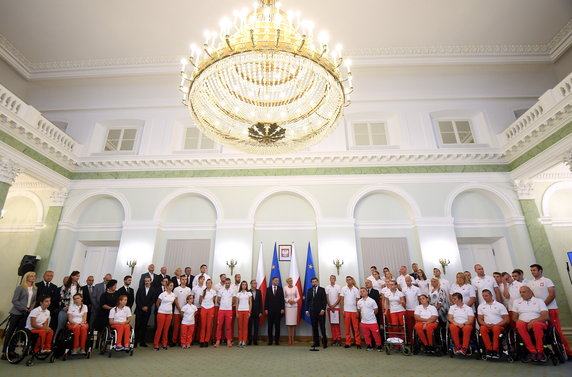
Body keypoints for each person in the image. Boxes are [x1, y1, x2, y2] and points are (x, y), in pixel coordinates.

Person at [528, 263, 572, 356]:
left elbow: (552, 294)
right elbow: (531, 297)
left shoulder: (547, 280)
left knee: (556, 331)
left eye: (534, 270)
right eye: (531, 270)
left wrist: (542, 305)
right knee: (544, 332)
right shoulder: (530, 283)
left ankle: (568, 352)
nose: (532, 272)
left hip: (550, 309)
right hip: (539, 312)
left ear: (540, 270)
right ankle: (551, 351)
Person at [2, 271, 37, 359]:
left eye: (34, 276)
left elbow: (34, 301)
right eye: (31, 276)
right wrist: (23, 308)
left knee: (18, 333)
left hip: (26, 313)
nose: (33, 278)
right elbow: (15, 300)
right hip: (16, 312)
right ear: (27, 277)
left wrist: (31, 308)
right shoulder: (20, 288)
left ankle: (11, 351)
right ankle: (4, 352)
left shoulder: (35, 289)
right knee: (10, 332)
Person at [512, 285, 549, 362]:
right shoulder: (516, 302)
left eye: (524, 292)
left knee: (536, 325)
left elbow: (546, 316)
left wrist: (533, 321)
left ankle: (540, 351)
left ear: (530, 292)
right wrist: (519, 321)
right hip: (523, 323)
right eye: (520, 292)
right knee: (519, 324)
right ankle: (532, 350)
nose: (522, 294)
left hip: (538, 322)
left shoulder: (539, 301)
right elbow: (514, 317)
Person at [477, 289, 509, 358]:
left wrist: (496, 325)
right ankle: (488, 349)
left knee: (495, 328)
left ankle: (495, 349)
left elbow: (506, 319)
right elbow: (479, 319)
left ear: (491, 295)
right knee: (482, 328)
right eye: (483, 296)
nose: (485, 297)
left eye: (486, 295)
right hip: (487, 326)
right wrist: (485, 324)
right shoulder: (481, 306)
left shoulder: (500, 305)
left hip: (498, 326)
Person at [305, 277, 328, 349]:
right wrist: (306, 310)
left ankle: (324, 343)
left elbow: (324, 301)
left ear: (317, 282)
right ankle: (316, 342)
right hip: (312, 311)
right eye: (313, 282)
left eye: (315, 281)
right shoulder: (309, 290)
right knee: (314, 327)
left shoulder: (322, 289)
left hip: (320, 311)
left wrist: (323, 309)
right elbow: (308, 301)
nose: (314, 283)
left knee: (322, 327)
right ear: (311, 283)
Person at [357, 287, 381, 351]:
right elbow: (359, 310)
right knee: (366, 335)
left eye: (363, 291)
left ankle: (379, 345)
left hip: (372, 321)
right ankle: (369, 345)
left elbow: (376, 310)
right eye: (361, 291)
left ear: (367, 292)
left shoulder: (372, 301)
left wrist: (371, 316)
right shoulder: (359, 301)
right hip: (364, 322)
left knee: (376, 335)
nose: (362, 292)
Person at [135, 276, 156, 347]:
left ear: (151, 281)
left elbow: (153, 300)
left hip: (147, 311)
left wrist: (147, 307)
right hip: (139, 310)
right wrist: (142, 307)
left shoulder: (153, 290)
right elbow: (137, 299)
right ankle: (135, 342)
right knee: (137, 326)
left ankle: (142, 342)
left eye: (148, 281)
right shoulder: (140, 288)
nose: (146, 282)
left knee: (144, 326)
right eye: (145, 281)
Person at [340, 276, 361, 348]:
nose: (348, 281)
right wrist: (343, 310)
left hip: (354, 311)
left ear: (352, 280)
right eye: (347, 280)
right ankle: (348, 342)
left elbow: (358, 301)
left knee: (356, 328)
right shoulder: (343, 289)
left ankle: (358, 342)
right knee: (347, 328)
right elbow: (342, 300)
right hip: (346, 311)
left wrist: (358, 311)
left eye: (350, 280)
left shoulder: (356, 289)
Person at [215, 278, 236, 348]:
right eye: (226, 283)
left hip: (229, 310)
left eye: (228, 283)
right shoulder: (221, 290)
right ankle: (218, 340)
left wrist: (229, 304)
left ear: (230, 283)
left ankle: (228, 340)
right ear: (225, 283)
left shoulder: (233, 290)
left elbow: (234, 300)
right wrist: (222, 304)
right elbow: (218, 300)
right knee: (219, 325)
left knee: (228, 326)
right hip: (221, 310)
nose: (227, 284)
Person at [154, 281, 175, 350]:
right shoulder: (162, 294)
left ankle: (164, 344)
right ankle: (156, 344)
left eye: (172, 285)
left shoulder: (173, 295)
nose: (172, 287)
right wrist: (160, 309)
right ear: (167, 286)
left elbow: (172, 304)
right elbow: (157, 303)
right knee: (159, 329)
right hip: (161, 313)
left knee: (166, 330)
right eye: (171, 285)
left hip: (169, 314)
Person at [265, 276, 285, 345]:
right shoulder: (268, 289)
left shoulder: (280, 289)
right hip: (270, 310)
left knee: (277, 326)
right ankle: (270, 340)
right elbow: (266, 300)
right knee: (270, 326)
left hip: (278, 311)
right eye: (276, 280)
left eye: (278, 281)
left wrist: (282, 308)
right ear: (272, 281)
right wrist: (266, 309)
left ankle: (277, 340)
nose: (277, 282)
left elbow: (282, 299)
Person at [172, 275, 191, 346]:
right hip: (177, 311)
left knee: (183, 328)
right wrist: (180, 310)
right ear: (180, 280)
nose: (184, 281)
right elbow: (175, 300)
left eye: (185, 279)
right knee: (176, 327)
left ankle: (181, 341)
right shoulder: (176, 289)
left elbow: (189, 300)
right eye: (183, 279)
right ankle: (174, 341)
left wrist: (184, 310)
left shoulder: (188, 289)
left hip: (185, 312)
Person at [402, 276, 420, 343]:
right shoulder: (404, 289)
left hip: (416, 309)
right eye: (406, 281)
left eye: (409, 280)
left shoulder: (417, 289)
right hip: (408, 309)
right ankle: (412, 341)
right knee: (410, 327)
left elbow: (419, 299)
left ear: (411, 281)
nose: (407, 282)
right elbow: (403, 299)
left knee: (417, 326)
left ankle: (418, 340)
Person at [199, 279, 216, 347]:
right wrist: (204, 305)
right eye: (207, 283)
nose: (209, 284)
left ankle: (206, 340)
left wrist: (210, 306)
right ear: (206, 284)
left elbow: (214, 300)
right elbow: (200, 300)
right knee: (203, 325)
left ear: (211, 284)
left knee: (209, 325)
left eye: (210, 283)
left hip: (211, 308)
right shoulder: (203, 291)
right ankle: (201, 340)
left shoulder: (213, 292)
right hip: (204, 308)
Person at [325, 275, 341, 346]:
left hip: (336, 307)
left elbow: (339, 297)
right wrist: (330, 305)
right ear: (329, 279)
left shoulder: (338, 287)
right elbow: (327, 297)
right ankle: (334, 339)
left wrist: (334, 305)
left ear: (335, 279)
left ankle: (339, 339)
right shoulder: (327, 287)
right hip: (329, 308)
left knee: (337, 324)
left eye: (333, 278)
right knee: (332, 324)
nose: (332, 279)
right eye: (331, 278)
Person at [284, 277, 300, 345]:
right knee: (288, 324)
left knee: (293, 324)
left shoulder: (295, 287)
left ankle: (293, 340)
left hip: (294, 306)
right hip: (288, 307)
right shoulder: (285, 288)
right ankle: (289, 339)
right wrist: (288, 300)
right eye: (289, 281)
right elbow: (284, 297)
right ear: (287, 282)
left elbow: (298, 296)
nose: (291, 282)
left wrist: (294, 300)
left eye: (291, 281)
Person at [236, 281, 252, 347]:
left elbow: (250, 303)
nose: (244, 286)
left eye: (245, 285)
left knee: (245, 327)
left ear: (246, 286)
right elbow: (237, 303)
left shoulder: (249, 293)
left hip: (246, 311)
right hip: (240, 311)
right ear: (241, 286)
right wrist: (236, 312)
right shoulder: (238, 294)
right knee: (240, 327)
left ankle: (244, 341)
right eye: (243, 284)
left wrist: (249, 312)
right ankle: (240, 340)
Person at [247, 279, 263, 345]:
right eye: (253, 283)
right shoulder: (248, 292)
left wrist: (260, 311)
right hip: (249, 312)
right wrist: (248, 312)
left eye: (256, 283)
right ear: (251, 284)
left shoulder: (259, 292)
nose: (255, 284)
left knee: (256, 326)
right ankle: (250, 340)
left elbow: (260, 302)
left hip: (257, 312)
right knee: (249, 326)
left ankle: (255, 340)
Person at [191, 275, 205, 344]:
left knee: (201, 323)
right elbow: (192, 297)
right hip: (195, 307)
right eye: (201, 279)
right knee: (194, 323)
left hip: (202, 307)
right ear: (199, 280)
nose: (202, 280)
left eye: (203, 279)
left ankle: (199, 338)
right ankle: (192, 339)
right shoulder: (194, 288)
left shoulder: (205, 288)